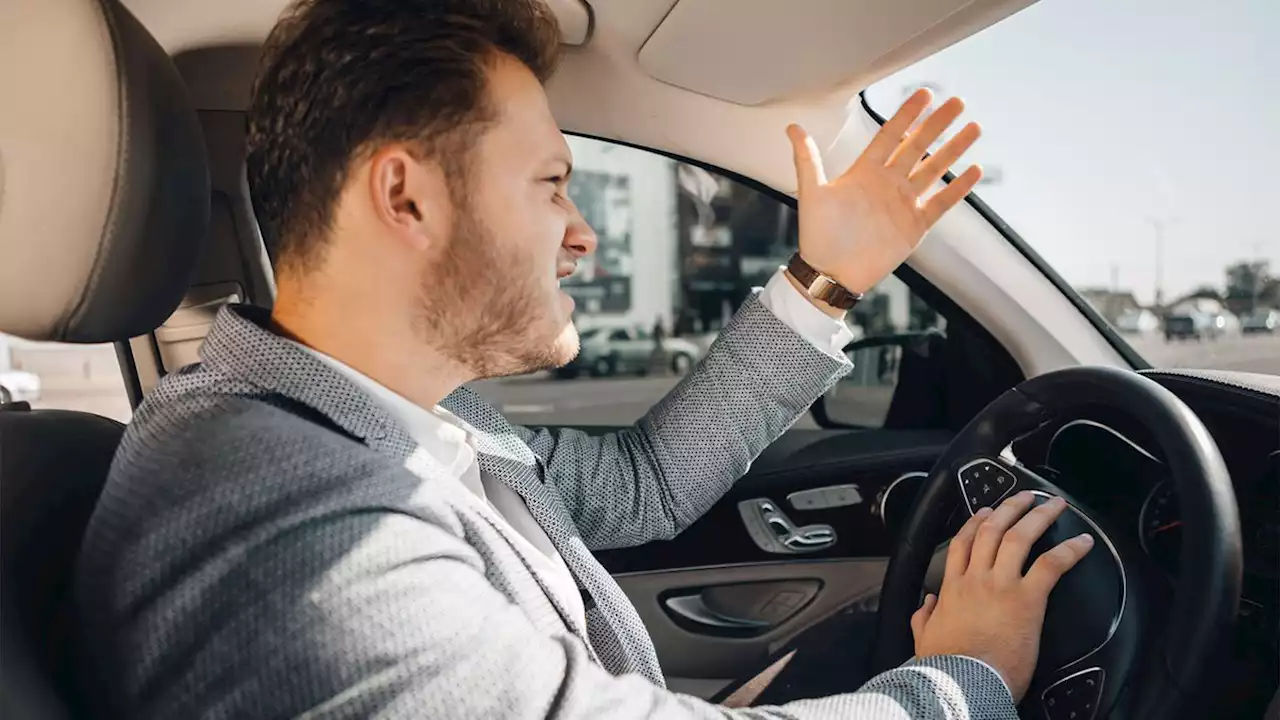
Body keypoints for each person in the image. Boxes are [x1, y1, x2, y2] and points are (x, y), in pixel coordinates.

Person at [73, 1, 1095, 718]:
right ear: (405, 198)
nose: (581, 237)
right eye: (551, 184)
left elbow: (647, 484)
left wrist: (824, 277)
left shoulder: (403, 418)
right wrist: (963, 679)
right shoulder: (273, 515)